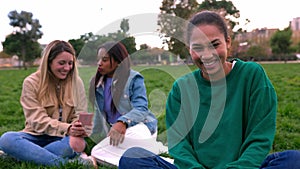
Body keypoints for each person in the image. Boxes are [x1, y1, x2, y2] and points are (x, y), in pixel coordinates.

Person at [118, 11, 300, 169]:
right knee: (132, 158)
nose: (207, 55)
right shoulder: (181, 89)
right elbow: (179, 144)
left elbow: (260, 136)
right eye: (198, 48)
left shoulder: (252, 75)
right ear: (189, 50)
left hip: (244, 166)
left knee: (294, 160)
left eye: (215, 45)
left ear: (228, 42)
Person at [0, 40, 97, 168]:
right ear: (48, 62)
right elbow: (36, 120)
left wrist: (81, 127)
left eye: (70, 63)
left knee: (77, 143)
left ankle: (23, 154)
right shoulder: (31, 82)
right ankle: (71, 163)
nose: (67, 68)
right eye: (61, 63)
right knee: (7, 139)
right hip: (34, 136)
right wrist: (66, 127)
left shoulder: (76, 82)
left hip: (64, 139)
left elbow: (82, 113)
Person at [88, 41, 167, 166]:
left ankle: (147, 154)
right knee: (96, 151)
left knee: (106, 150)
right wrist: (88, 133)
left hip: (139, 128)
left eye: (104, 60)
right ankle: (146, 157)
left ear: (119, 61)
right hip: (117, 133)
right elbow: (99, 114)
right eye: (98, 59)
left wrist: (123, 122)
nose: (99, 63)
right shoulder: (98, 84)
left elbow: (141, 108)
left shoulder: (134, 78)